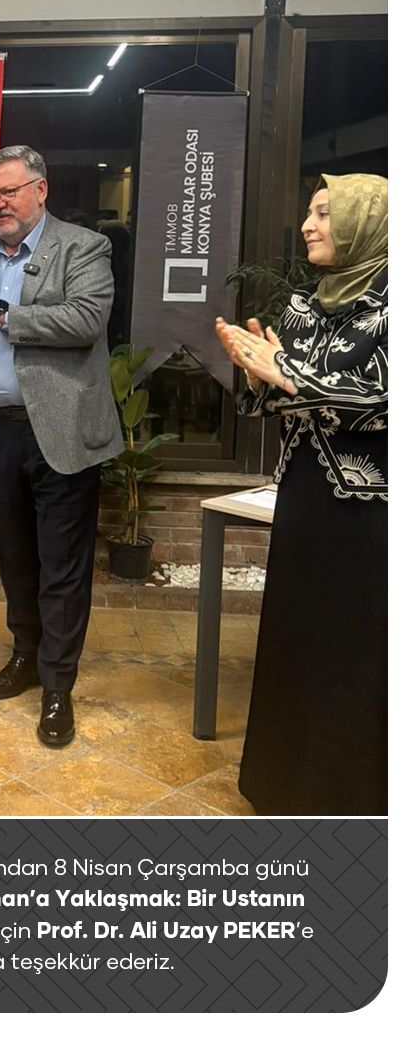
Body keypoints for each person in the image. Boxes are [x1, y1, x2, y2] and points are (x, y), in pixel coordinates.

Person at [0, 145, 122, 747]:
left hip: (59, 428)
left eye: (9, 191)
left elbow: (85, 320)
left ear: (41, 189)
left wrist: (3, 313)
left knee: (62, 563)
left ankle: (58, 686)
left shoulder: (84, 247)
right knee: (13, 553)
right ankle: (26, 657)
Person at [216, 173, 387, 814]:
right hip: (305, 496)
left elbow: (383, 402)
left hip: (371, 512)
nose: (309, 226)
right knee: (299, 637)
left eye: (325, 213)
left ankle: (353, 799)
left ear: (366, 223)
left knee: (357, 648)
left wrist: (286, 373)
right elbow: (278, 399)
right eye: (310, 213)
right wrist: (257, 372)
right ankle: (284, 785)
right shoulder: (303, 304)